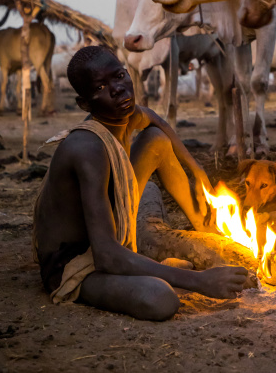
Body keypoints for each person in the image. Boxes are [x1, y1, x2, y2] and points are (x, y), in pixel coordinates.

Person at [33, 46, 247, 320]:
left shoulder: (126, 114)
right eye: (100, 87)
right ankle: (185, 273)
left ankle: (207, 230)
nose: (118, 90)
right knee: (159, 298)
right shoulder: (88, 148)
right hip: (76, 264)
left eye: (120, 76)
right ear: (85, 104)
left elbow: (158, 123)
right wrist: (199, 281)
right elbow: (106, 256)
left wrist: (197, 171)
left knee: (157, 140)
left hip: (109, 237)